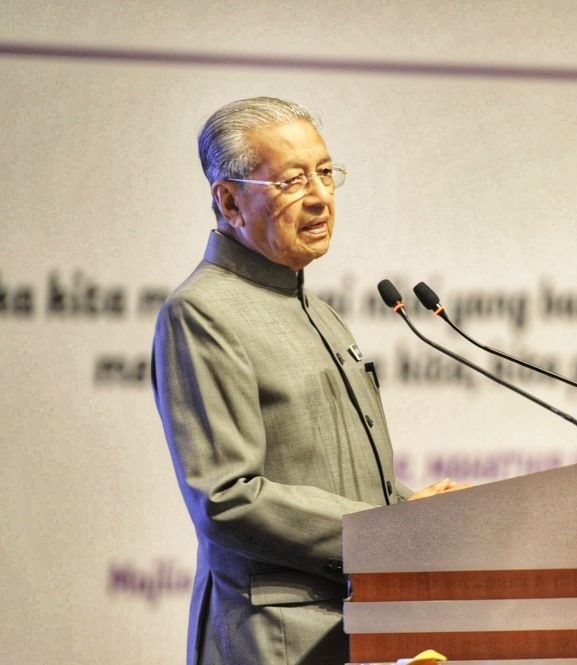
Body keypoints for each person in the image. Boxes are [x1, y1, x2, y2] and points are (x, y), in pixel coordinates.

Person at [152, 97, 461, 665]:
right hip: (276, 636)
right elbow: (227, 498)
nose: (320, 196)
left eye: (325, 173)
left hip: (362, 622)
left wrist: (426, 513)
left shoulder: (315, 308)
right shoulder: (203, 311)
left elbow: (348, 484)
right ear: (229, 200)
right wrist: (389, 532)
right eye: (292, 181)